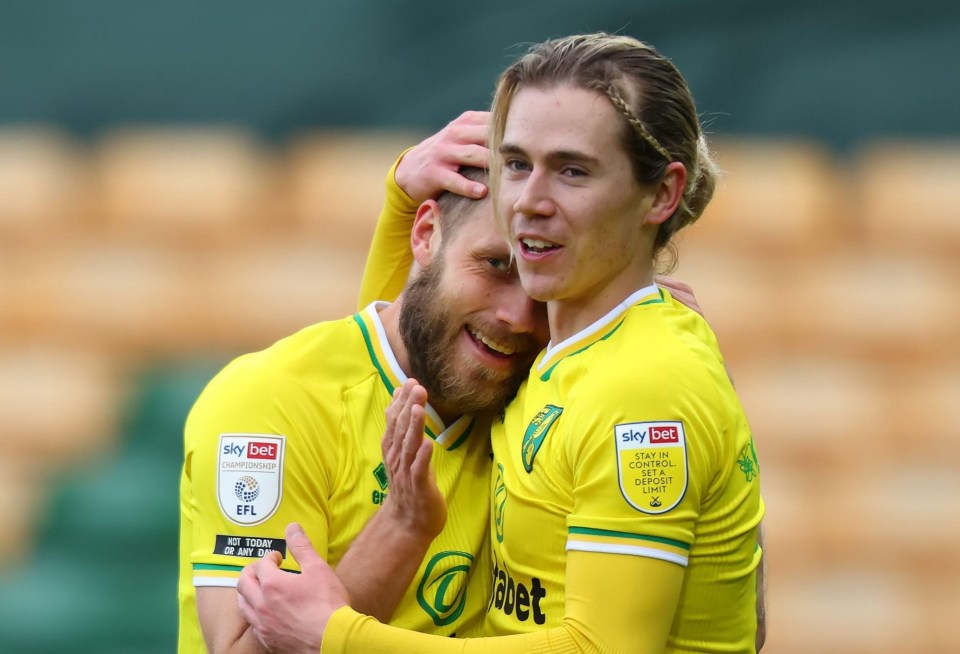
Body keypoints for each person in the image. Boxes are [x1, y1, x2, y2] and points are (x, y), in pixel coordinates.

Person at [237, 32, 765, 653]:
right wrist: (399, 204)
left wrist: (338, 638)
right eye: (517, 164)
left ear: (661, 194)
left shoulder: (641, 382)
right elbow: (406, 356)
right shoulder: (553, 352)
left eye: (572, 170)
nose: (529, 203)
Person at [177, 111, 551, 653]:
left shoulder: (543, 397)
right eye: (495, 264)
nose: (518, 315)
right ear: (425, 233)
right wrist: (402, 526)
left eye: (544, 288)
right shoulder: (271, 400)